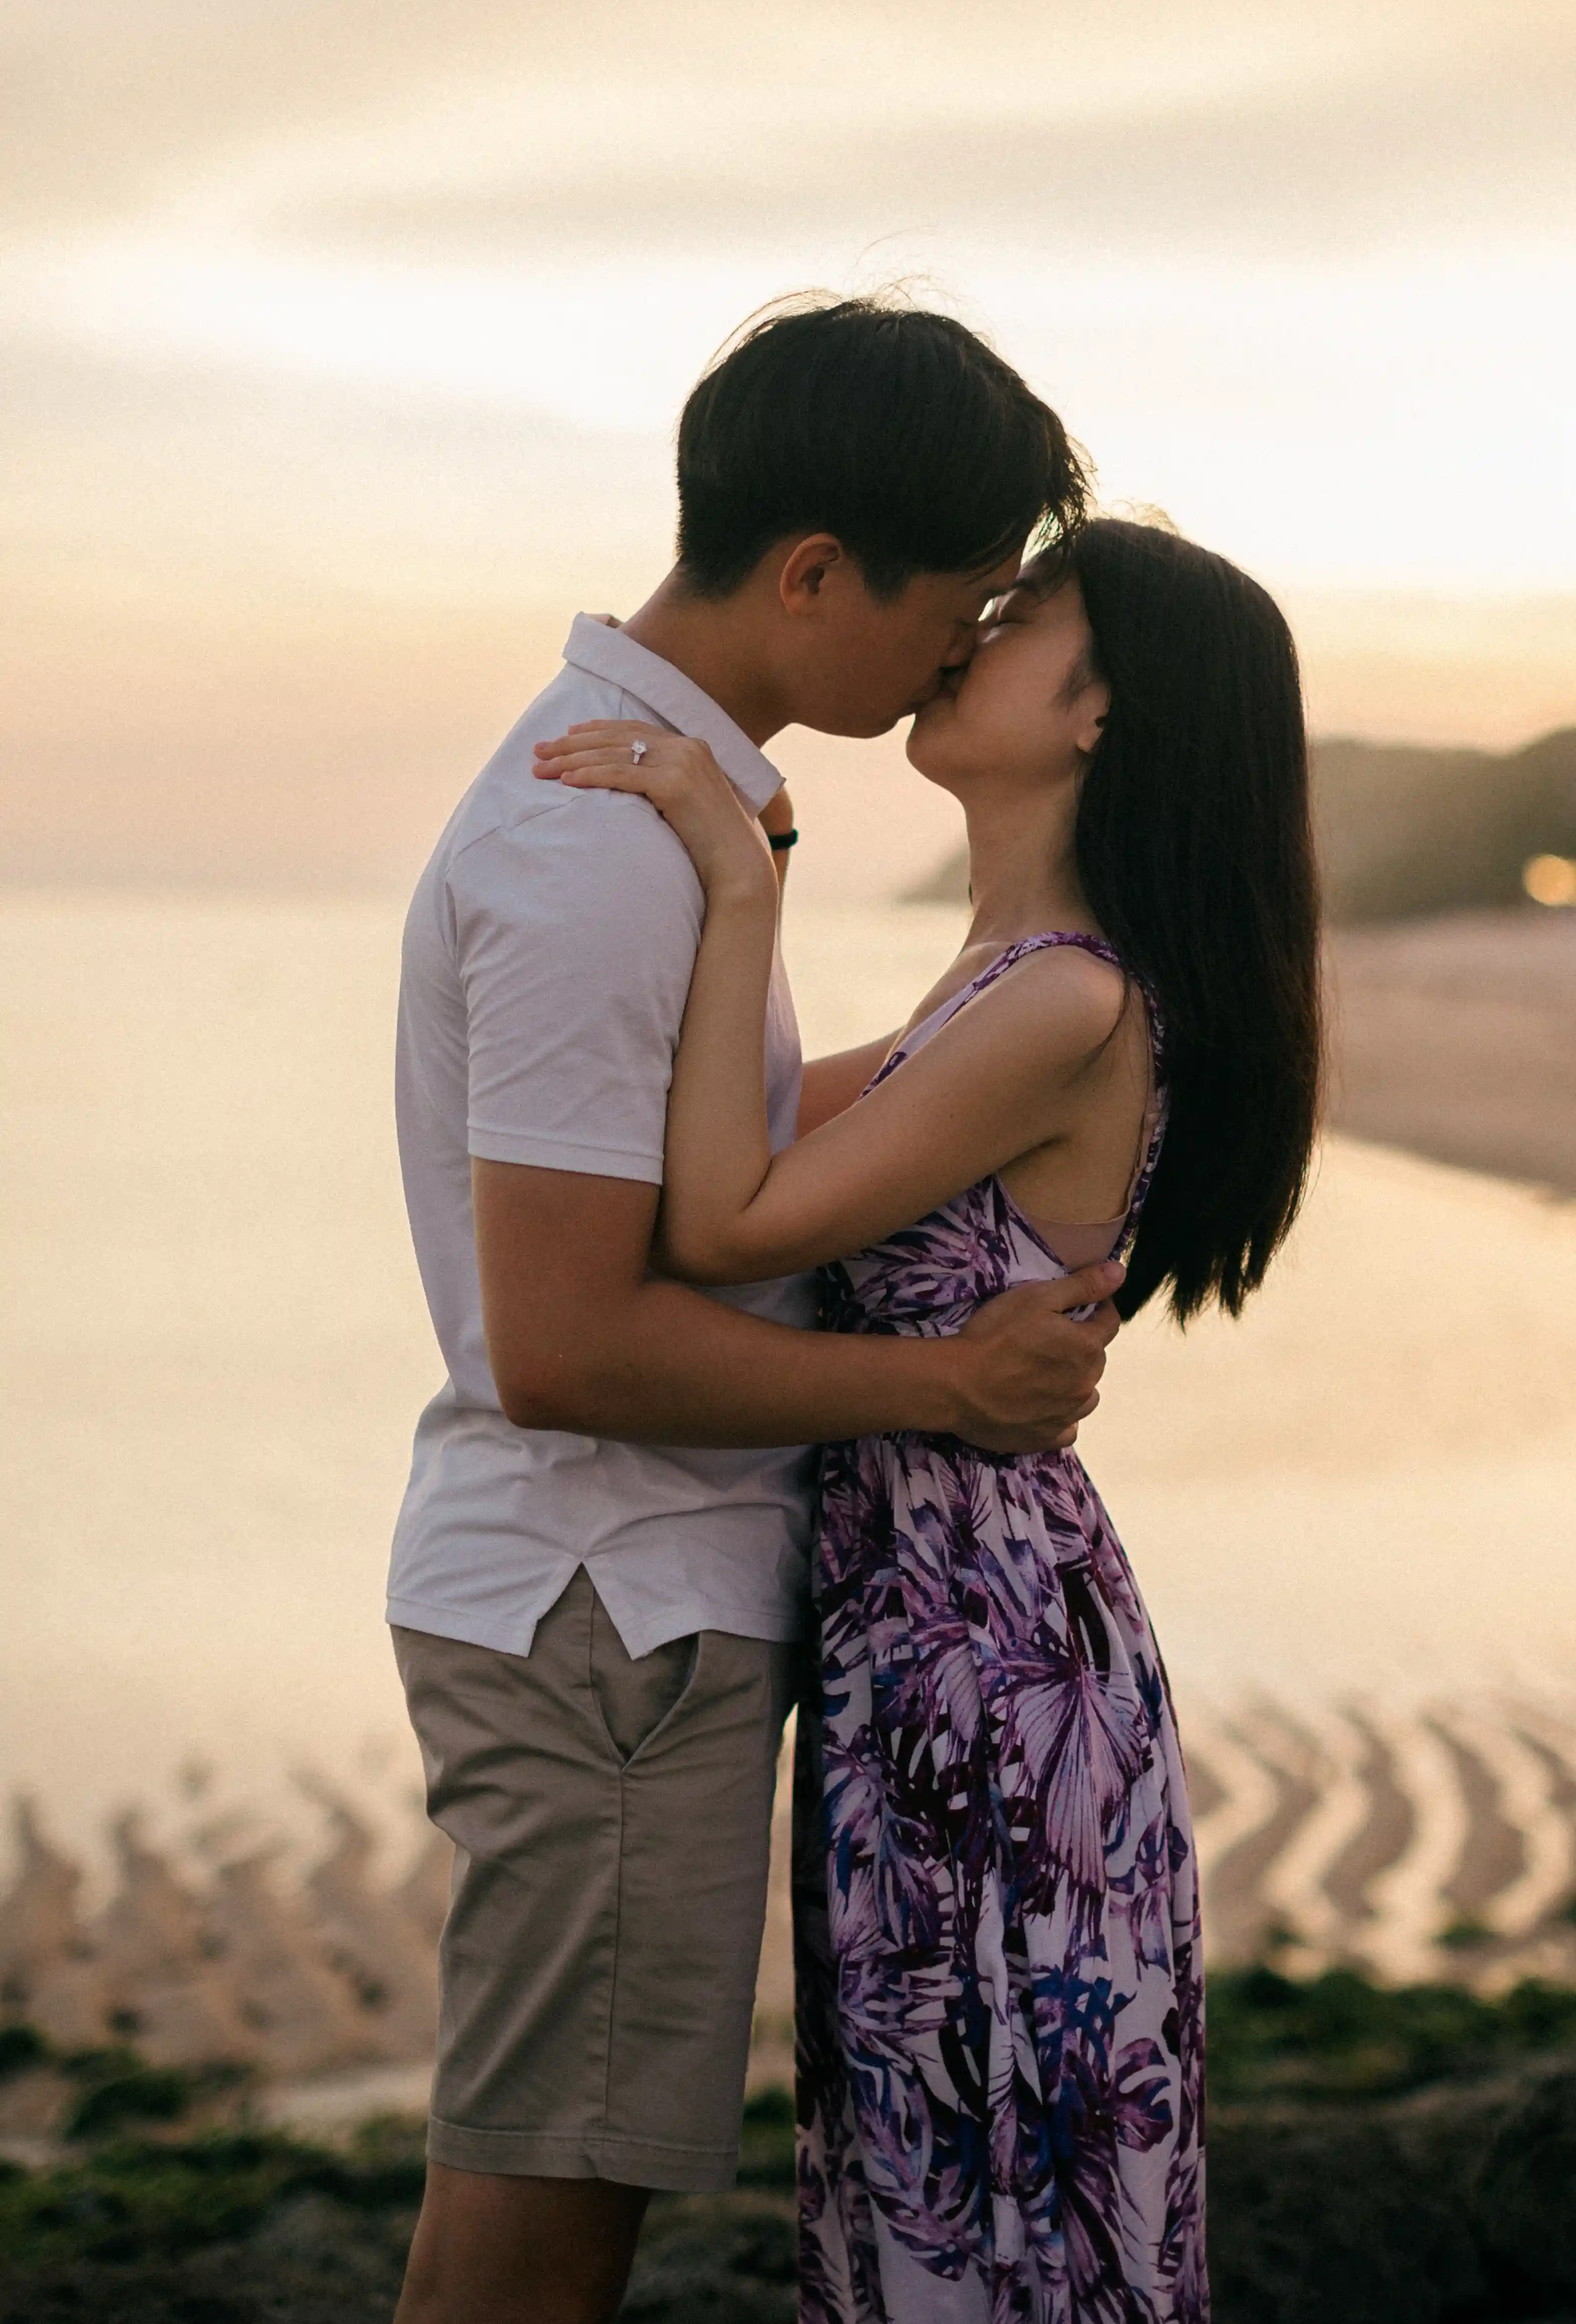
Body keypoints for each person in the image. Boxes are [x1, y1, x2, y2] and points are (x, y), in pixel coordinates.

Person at [386, 298, 1128, 2324]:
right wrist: (945, 1381)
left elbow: (733, 1147)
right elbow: (565, 1344)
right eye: (951, 610)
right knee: (540, 2234)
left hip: (624, 1606)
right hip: (608, 1609)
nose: (954, 658)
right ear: (813, 574)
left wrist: (999, 1041)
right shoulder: (596, 850)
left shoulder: (673, 822)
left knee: (553, 2192)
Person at [534, 514, 1325, 2323]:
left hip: (990, 1665)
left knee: (993, 2192)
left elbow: (720, 1217)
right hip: (935, 1646)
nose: (974, 629)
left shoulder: (1064, 1000)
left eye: (1027, 612)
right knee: (943, 2182)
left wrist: (742, 889)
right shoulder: (1002, 986)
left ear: (1103, 710)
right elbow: (719, 1134)